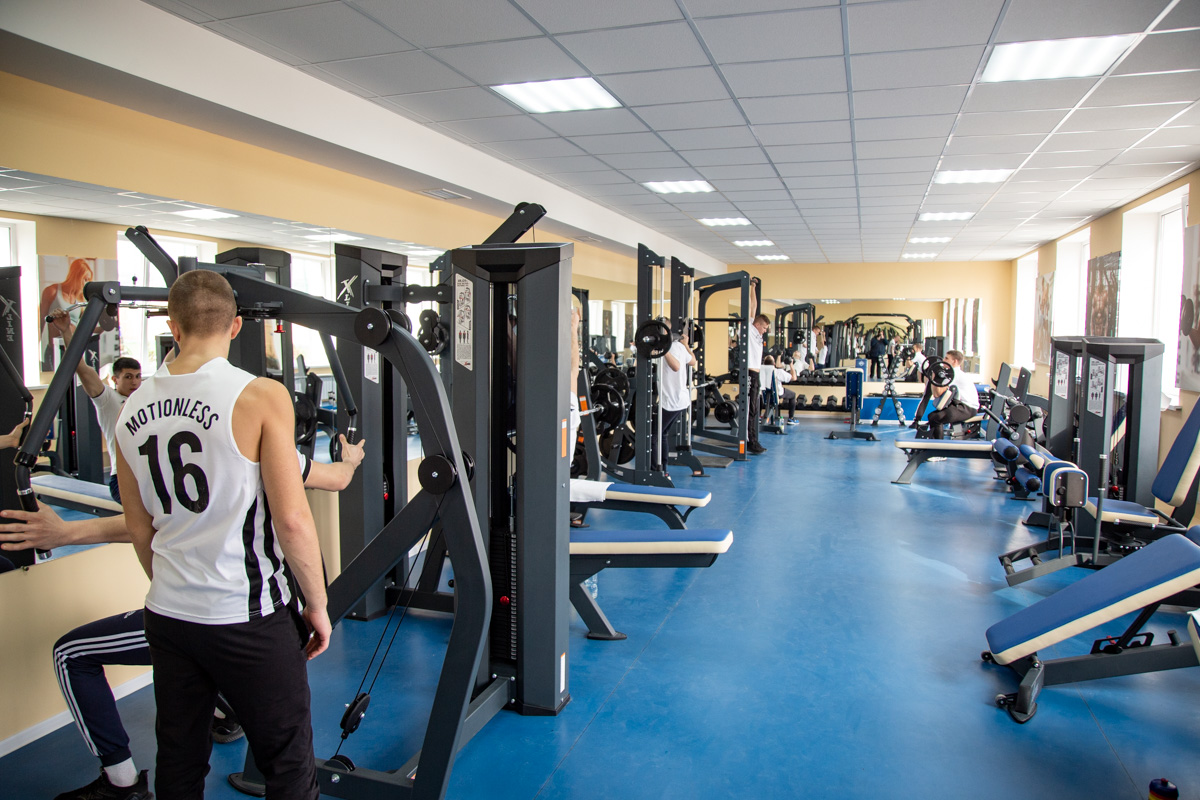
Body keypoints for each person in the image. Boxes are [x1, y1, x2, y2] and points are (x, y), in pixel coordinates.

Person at [0, 438, 364, 800]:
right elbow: (335, 480)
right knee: (283, 762)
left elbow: (145, 525)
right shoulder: (257, 440)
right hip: (259, 613)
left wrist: (68, 533)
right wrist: (350, 460)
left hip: (207, 614)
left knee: (74, 655)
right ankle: (222, 706)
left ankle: (123, 783)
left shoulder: (188, 434)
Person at [114, 269, 330, 799]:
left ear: (173, 326)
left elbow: (140, 527)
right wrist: (318, 604)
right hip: (246, 616)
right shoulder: (259, 395)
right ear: (235, 327)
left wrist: (177, 587)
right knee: (287, 760)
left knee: (179, 758)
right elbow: (293, 519)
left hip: (169, 615)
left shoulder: (129, 410)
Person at [48, 311, 142, 503]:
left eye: (138, 376)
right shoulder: (108, 398)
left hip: (147, 474)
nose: (134, 382)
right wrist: (66, 331)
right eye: (128, 377)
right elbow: (80, 367)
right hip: (122, 478)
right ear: (115, 379)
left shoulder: (144, 397)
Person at [40, 258, 94, 371]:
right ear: (76, 276)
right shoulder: (52, 291)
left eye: (88, 280)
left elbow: (84, 327)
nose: (86, 283)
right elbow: (40, 322)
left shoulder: (81, 298)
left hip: (73, 350)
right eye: (84, 279)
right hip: (54, 350)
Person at [660, 321, 697, 469]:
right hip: (680, 399)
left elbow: (676, 366)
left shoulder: (671, 347)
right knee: (661, 433)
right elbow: (693, 360)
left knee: (655, 434)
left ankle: (659, 469)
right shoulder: (679, 346)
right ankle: (661, 468)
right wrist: (686, 345)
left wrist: (664, 350)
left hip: (672, 400)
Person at [924, 349, 980, 440]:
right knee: (933, 416)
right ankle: (947, 440)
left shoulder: (954, 374)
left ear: (954, 361)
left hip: (967, 408)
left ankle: (937, 445)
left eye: (946, 358)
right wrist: (934, 377)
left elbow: (938, 393)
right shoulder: (952, 374)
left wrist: (935, 377)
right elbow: (936, 393)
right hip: (961, 406)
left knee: (935, 418)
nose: (943, 360)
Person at [745, 279, 768, 455]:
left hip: (756, 375)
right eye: (764, 328)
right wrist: (750, 286)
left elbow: (755, 306)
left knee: (755, 408)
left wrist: (754, 287)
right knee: (751, 410)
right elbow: (750, 307)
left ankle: (753, 440)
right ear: (757, 325)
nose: (765, 331)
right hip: (750, 374)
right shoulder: (749, 328)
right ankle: (751, 442)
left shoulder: (757, 333)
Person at [763, 355, 797, 424]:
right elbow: (794, 378)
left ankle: (759, 417)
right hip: (777, 394)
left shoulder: (761, 372)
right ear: (774, 363)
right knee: (793, 395)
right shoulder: (778, 372)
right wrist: (791, 364)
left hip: (765, 394)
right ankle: (791, 418)